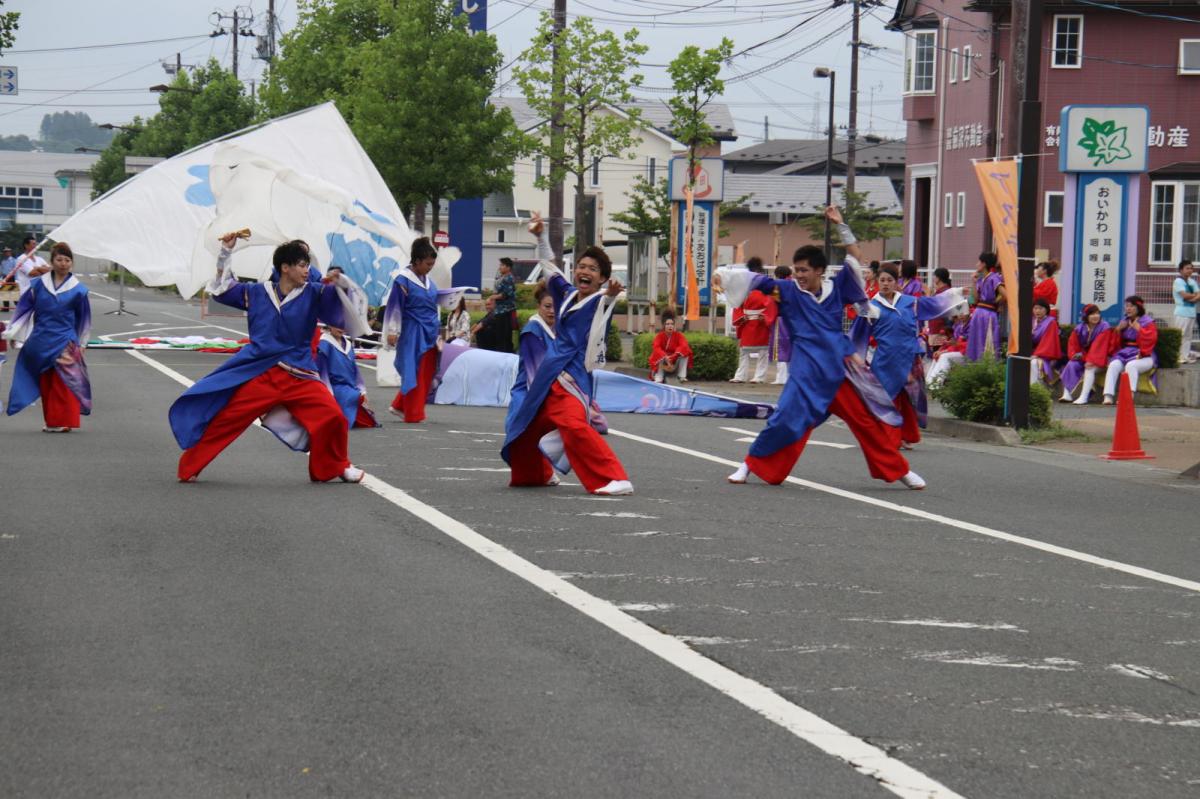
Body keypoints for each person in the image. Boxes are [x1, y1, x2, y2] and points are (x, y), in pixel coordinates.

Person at [719, 206, 926, 490]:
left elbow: (856, 258)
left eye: (804, 270)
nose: (798, 274)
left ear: (819, 270)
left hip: (839, 370)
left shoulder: (836, 288)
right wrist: (725, 275)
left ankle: (900, 471)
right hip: (806, 371)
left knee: (867, 422)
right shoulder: (787, 290)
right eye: (796, 270)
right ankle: (749, 465)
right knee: (786, 420)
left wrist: (841, 225)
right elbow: (756, 280)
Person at [169, 237, 369, 483]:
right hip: (262, 372)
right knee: (227, 419)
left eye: (307, 265)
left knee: (334, 417)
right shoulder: (256, 293)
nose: (307, 270)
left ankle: (337, 466)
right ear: (285, 268)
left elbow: (339, 310)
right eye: (302, 265)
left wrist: (340, 284)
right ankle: (189, 466)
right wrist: (225, 251)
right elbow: (222, 288)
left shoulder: (314, 293)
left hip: (300, 374)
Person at [502, 212, 632, 496]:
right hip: (549, 376)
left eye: (593, 269)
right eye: (582, 266)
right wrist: (540, 236)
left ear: (602, 279)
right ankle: (534, 475)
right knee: (526, 428)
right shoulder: (567, 294)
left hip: (571, 377)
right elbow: (550, 268)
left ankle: (614, 476)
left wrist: (611, 293)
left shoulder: (600, 301)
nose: (585, 271)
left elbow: (609, 299)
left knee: (573, 424)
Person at [850, 262, 963, 447]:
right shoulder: (871, 307)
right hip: (885, 359)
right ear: (878, 282)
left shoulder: (910, 302)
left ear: (896, 282)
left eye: (890, 280)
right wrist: (852, 354)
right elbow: (857, 334)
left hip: (909, 357)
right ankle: (887, 437)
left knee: (908, 397)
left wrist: (956, 296)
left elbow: (935, 304)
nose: (886, 283)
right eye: (882, 280)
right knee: (886, 397)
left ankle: (906, 434)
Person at [4, 242, 91, 432]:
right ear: (52, 261)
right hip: (41, 339)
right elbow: (23, 310)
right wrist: (13, 333)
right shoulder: (38, 285)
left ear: (72, 263)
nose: (63, 263)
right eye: (59, 259)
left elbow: (84, 318)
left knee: (65, 381)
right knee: (47, 382)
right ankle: (52, 421)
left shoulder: (79, 290)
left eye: (67, 260)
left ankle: (64, 421)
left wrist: (82, 341)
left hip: (66, 340)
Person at [384, 237, 441, 423]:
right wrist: (392, 331)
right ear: (416, 261)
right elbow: (395, 307)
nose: (430, 267)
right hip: (411, 331)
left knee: (425, 370)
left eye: (432, 264)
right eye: (428, 264)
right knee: (413, 370)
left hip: (429, 330)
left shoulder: (429, 281)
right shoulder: (403, 280)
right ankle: (413, 413)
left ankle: (400, 405)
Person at [505, 280, 557, 436]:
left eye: (556, 306)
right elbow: (535, 375)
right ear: (538, 306)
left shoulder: (555, 329)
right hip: (529, 394)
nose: (552, 311)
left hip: (546, 391)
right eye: (547, 306)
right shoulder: (532, 332)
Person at [317, 324, 380, 430]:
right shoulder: (323, 344)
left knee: (361, 405)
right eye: (337, 324)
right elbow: (322, 373)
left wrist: (362, 391)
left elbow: (355, 371)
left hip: (350, 387)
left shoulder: (348, 344)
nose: (340, 328)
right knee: (352, 398)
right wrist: (328, 395)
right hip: (333, 388)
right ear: (329, 325)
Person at [1101, 295, 1158, 405]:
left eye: (1131, 306)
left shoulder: (1148, 322)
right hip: (1125, 353)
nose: (1128, 309)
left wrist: (1139, 330)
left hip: (1145, 355)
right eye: (1126, 306)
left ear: (1138, 307)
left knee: (1131, 366)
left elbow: (1152, 339)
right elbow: (1116, 342)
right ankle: (1108, 396)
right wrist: (1118, 330)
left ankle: (1128, 397)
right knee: (1113, 365)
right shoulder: (1125, 321)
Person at [730, 256, 776, 383]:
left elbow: (771, 302)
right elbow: (738, 303)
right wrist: (741, 317)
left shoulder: (766, 284)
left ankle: (759, 377)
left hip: (761, 321)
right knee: (744, 350)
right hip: (747, 320)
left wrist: (766, 316)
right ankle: (740, 375)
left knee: (763, 351)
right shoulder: (745, 286)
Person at [1060, 304, 1110, 403]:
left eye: (1097, 313)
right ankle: (1067, 394)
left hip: (1100, 358)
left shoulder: (1104, 327)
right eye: (1092, 314)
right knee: (1071, 364)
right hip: (1085, 357)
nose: (1095, 316)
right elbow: (1073, 345)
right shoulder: (1079, 328)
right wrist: (1074, 355)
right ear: (1086, 316)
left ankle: (1084, 396)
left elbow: (1099, 346)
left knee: (1089, 368)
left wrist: (1091, 360)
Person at [967, 252, 1005, 360]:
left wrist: (999, 302)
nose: (976, 264)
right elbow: (975, 299)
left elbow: (1004, 293)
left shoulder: (994, 278)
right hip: (979, 312)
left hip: (988, 313)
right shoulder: (980, 279)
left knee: (988, 342)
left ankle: (986, 367)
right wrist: (973, 282)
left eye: (978, 262)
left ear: (984, 264)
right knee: (977, 341)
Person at [925, 310, 970, 388]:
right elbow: (953, 343)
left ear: (969, 313)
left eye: (963, 313)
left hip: (967, 353)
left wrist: (947, 350)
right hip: (957, 349)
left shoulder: (971, 325)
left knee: (944, 357)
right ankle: (930, 381)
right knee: (937, 355)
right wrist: (941, 350)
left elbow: (968, 344)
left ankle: (936, 385)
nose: (961, 315)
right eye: (960, 314)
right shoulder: (958, 326)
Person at [649, 309, 692, 383]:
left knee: (686, 352)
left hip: (675, 358)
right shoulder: (659, 336)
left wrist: (675, 355)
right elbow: (656, 347)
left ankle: (682, 376)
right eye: (667, 324)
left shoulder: (679, 335)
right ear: (664, 325)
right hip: (663, 358)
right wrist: (665, 356)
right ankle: (659, 376)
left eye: (672, 324)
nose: (670, 326)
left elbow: (684, 345)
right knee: (657, 354)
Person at [1030, 298, 1063, 385]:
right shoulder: (1031, 321)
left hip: (1046, 354)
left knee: (1034, 363)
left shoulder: (1051, 322)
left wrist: (1036, 354)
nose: (1037, 311)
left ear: (1046, 310)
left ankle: (1036, 389)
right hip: (1033, 352)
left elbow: (1049, 342)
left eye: (1040, 308)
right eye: (1035, 308)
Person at [770, 265, 793, 385]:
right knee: (791, 348)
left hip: (781, 319)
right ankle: (790, 376)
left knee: (780, 348)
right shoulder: (795, 284)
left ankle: (781, 377)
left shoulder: (777, 286)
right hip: (794, 319)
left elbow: (774, 301)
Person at [1172, 259, 1199, 364]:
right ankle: (1178, 356)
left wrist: (1192, 297)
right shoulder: (1178, 281)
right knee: (1180, 335)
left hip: (1191, 312)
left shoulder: (1192, 281)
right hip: (1181, 313)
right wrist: (1194, 296)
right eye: (1187, 268)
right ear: (1181, 270)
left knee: (1188, 336)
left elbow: (1197, 295)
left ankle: (1185, 356)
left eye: (1191, 268)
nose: (1190, 270)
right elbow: (1184, 295)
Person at [493, 257, 518, 352]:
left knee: (505, 336)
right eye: (500, 265)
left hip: (506, 310)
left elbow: (506, 294)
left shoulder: (509, 278)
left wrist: (493, 297)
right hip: (499, 310)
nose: (500, 267)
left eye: (502, 265)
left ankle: (507, 354)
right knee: (499, 335)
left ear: (508, 267)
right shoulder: (501, 277)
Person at [0, 246, 15, 311]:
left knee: (14, 294)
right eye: (5, 252)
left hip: (11, 277)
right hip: (4, 277)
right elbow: (1, 270)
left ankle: (20, 307)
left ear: (10, 252)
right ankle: (6, 308)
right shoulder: (3, 261)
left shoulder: (14, 260)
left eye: (8, 252)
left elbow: (16, 270)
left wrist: (16, 279)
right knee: (4, 293)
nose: (6, 253)